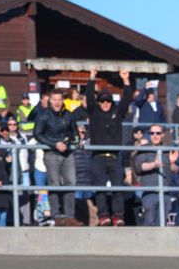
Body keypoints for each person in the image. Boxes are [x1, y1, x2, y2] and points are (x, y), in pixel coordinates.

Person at [84, 68, 134, 226]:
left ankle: (118, 216)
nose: (105, 103)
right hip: (97, 157)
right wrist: (92, 77)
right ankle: (103, 215)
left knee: (118, 188)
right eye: (102, 101)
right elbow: (89, 97)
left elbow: (126, 100)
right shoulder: (94, 112)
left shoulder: (117, 112)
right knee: (100, 189)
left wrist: (126, 80)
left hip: (114, 157)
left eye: (108, 101)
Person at [33, 90, 79, 222]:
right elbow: (37, 134)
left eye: (59, 100)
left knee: (71, 182)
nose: (57, 102)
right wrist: (54, 144)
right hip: (51, 153)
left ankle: (70, 216)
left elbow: (74, 132)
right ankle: (56, 215)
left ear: (63, 100)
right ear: (50, 101)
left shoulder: (69, 115)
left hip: (68, 153)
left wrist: (72, 141)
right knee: (54, 183)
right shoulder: (43, 115)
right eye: (54, 100)